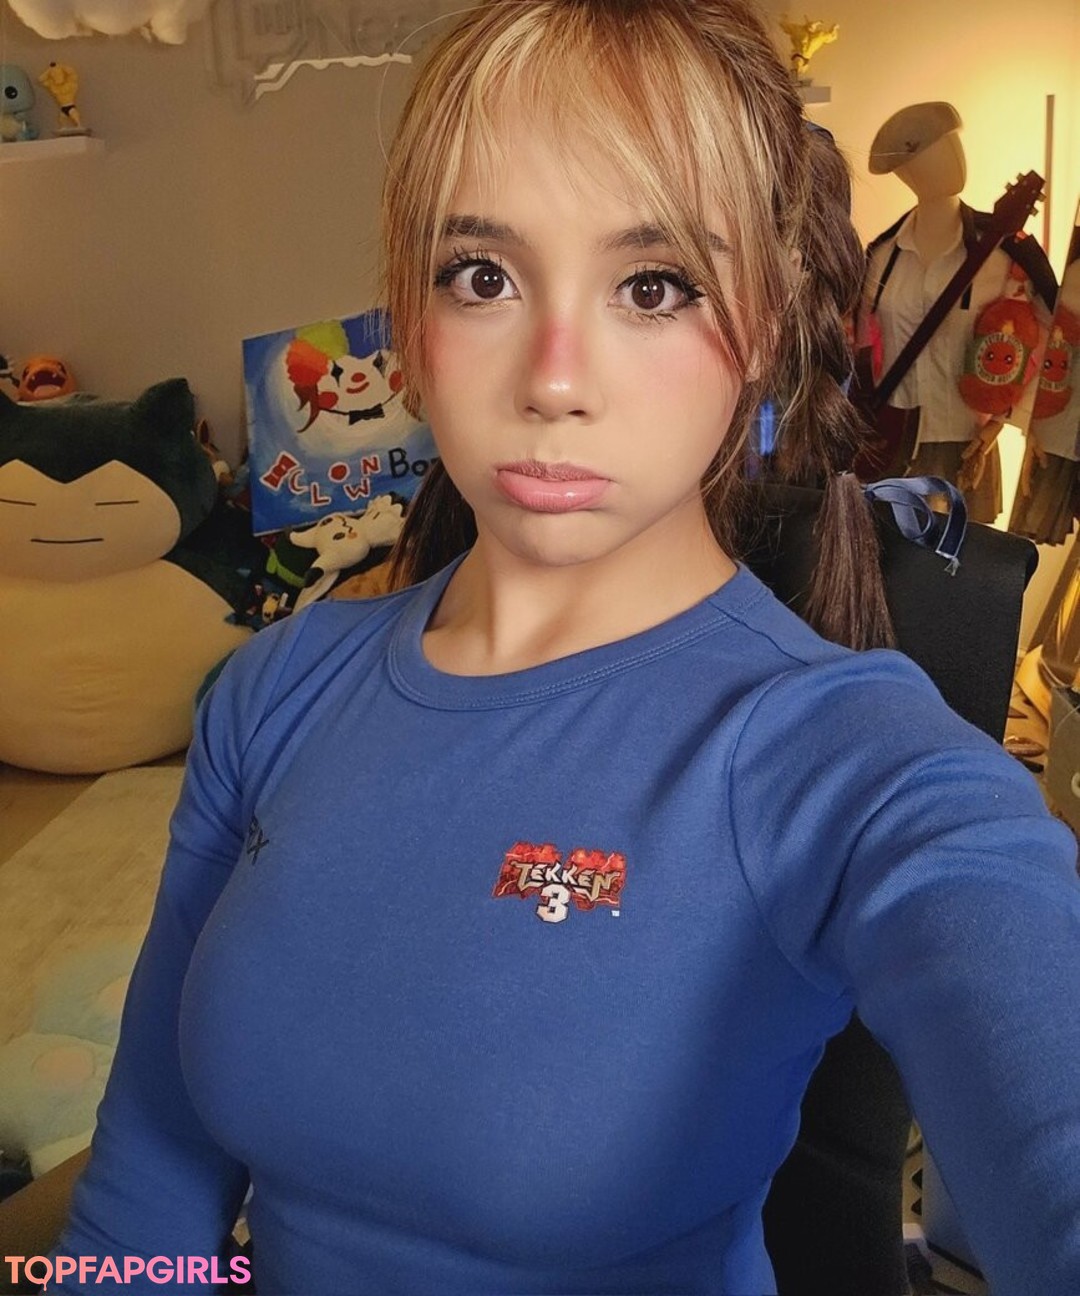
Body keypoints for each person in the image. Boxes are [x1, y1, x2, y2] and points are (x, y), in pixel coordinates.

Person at [42, 3, 1080, 1294]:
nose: (552, 378)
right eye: (482, 275)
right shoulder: (276, 689)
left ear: (761, 327)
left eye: (654, 287)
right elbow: (143, 1197)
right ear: (409, 316)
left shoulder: (840, 757)